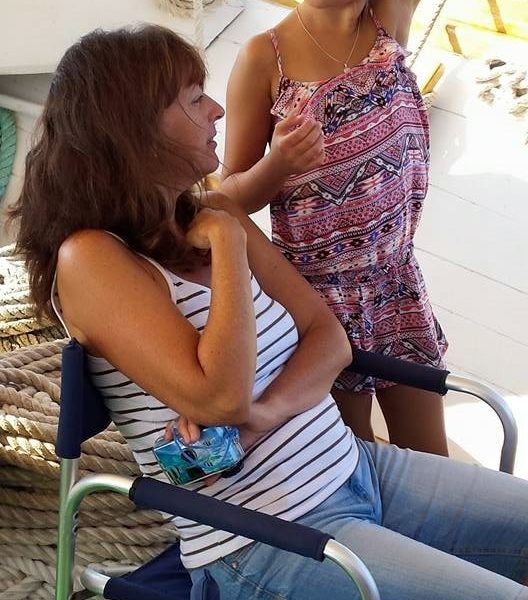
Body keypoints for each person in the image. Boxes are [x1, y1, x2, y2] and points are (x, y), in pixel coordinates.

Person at [10, 25, 528, 600]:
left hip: (360, 467)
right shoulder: (91, 258)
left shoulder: (212, 211)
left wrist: (266, 413)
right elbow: (220, 398)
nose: (216, 109)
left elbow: (328, 337)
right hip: (265, 539)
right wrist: (229, 246)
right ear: (132, 128)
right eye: (192, 99)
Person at [220, 0, 450, 455]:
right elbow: (228, 199)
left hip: (398, 284)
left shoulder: (387, 20)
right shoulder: (264, 58)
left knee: (433, 460)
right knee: (354, 458)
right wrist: (278, 164)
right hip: (320, 307)